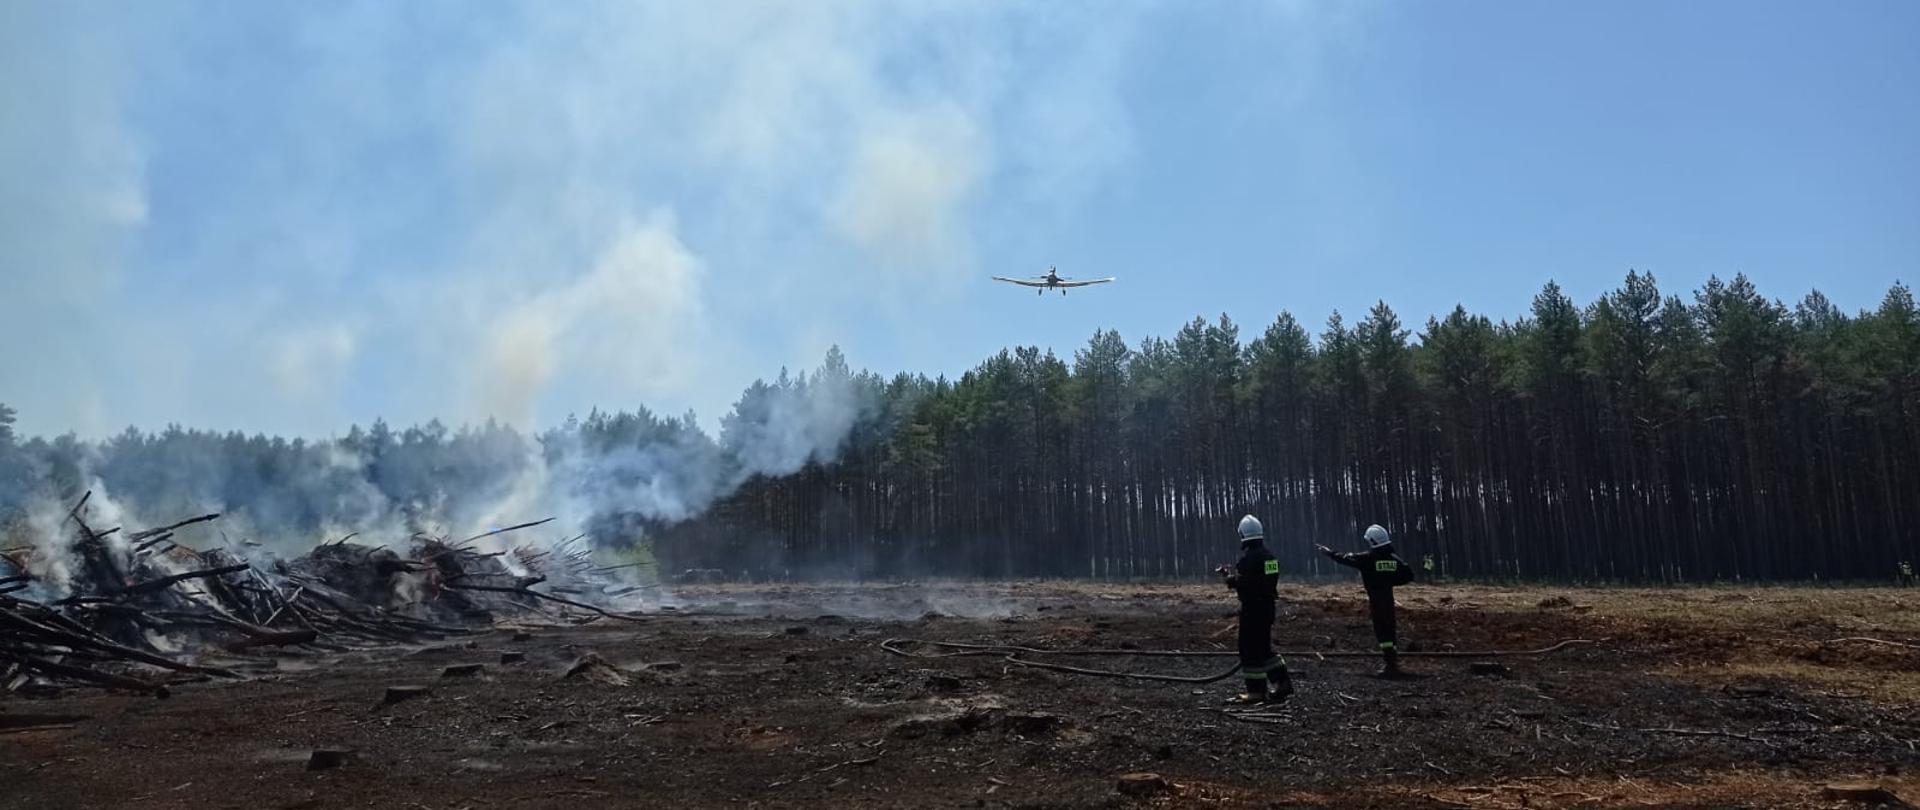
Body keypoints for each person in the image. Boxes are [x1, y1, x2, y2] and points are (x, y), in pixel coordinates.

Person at [1317, 524, 1414, 678]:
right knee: (1389, 630)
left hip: (1376, 600)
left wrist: (1329, 553)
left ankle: (1390, 666)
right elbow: (1409, 575)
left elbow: (1345, 558)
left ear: (1373, 542)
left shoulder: (1367, 559)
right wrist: (1390, 581)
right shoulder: (1394, 559)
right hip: (1388, 599)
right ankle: (1392, 662)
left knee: (1382, 632)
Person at [1217, 515, 1294, 704]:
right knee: (1264, 648)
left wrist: (1228, 578)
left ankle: (1256, 692)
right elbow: (1263, 582)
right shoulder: (1270, 557)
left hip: (1252, 610)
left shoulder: (1247, 560)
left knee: (1249, 650)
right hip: (1268, 608)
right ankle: (1283, 683)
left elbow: (1245, 584)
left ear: (1243, 534)